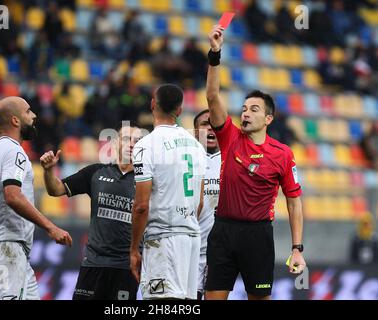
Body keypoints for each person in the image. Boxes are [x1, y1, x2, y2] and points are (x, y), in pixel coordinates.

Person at [205, 25, 306, 300]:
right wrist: (215, 55)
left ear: (268, 119)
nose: (246, 113)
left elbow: (294, 201)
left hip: (258, 236)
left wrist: (297, 247)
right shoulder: (230, 137)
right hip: (223, 230)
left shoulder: (283, 153)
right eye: (244, 108)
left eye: (254, 109)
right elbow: (213, 97)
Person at [0, 96, 72, 300]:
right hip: (7, 246)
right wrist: (51, 227)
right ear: (15, 120)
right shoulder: (15, 152)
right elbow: (12, 196)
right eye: (28, 111)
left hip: (9, 246)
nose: (34, 115)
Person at [40, 122, 143, 300]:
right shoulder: (96, 172)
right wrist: (49, 171)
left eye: (138, 140)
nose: (132, 144)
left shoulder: (146, 181)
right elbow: (55, 190)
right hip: (94, 263)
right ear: (115, 144)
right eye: (127, 139)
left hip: (126, 267)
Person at [130, 84, 206, 300]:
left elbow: (141, 206)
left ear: (153, 104)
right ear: (180, 110)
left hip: (164, 238)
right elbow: (199, 202)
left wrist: (134, 249)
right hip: (192, 238)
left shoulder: (146, 145)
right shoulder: (196, 146)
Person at [193, 109, 221, 300]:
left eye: (215, 124)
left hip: (221, 253)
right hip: (190, 250)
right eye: (204, 124)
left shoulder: (233, 161)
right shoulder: (183, 162)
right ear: (195, 132)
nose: (210, 128)